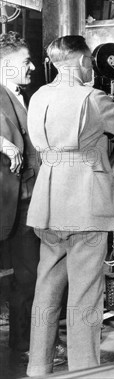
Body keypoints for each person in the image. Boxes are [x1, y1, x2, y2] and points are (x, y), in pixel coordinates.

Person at [25, 35, 114, 376]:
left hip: (47, 201)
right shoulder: (94, 98)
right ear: (84, 62)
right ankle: (84, 368)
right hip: (85, 204)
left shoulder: (39, 95)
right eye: (90, 63)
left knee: (46, 287)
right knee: (86, 293)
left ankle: (38, 367)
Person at [0, 32, 40, 358]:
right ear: (7, 66)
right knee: (26, 275)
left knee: (27, 275)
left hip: (26, 200)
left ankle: (22, 343)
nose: (32, 67)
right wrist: (3, 143)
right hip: (11, 202)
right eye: (26, 61)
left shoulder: (22, 96)